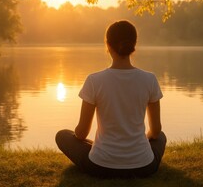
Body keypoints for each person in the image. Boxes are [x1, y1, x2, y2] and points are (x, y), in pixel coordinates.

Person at [55, 20, 166, 178]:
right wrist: (139, 141)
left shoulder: (94, 80)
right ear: (134, 45)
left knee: (62, 135)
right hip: (144, 166)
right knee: (161, 136)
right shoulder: (150, 79)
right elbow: (155, 131)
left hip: (101, 166)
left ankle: (104, 149)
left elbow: (81, 134)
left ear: (107, 45)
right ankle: (126, 151)